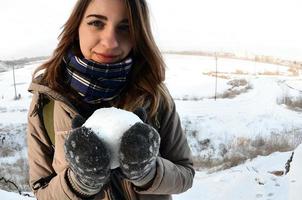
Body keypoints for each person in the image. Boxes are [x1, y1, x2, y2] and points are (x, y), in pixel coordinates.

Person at [27, 0, 195, 199]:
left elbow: (185, 174)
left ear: (138, 35)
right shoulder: (47, 102)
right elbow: (41, 190)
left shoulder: (153, 96)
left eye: (126, 28)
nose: (110, 42)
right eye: (97, 23)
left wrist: (147, 173)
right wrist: (79, 183)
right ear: (77, 26)